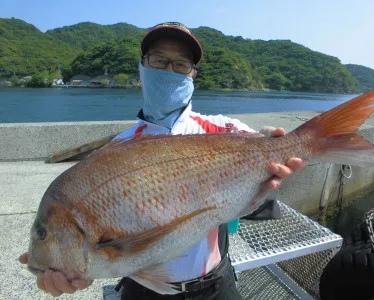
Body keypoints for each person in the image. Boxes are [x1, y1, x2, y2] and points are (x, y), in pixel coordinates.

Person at [19, 21, 307, 299]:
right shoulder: (116, 151)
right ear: (142, 66)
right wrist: (72, 274)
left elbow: (261, 179)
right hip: (142, 292)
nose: (169, 70)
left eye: (180, 65)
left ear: (192, 74)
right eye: (159, 60)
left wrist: (274, 144)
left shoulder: (222, 130)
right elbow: (105, 257)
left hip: (216, 286)